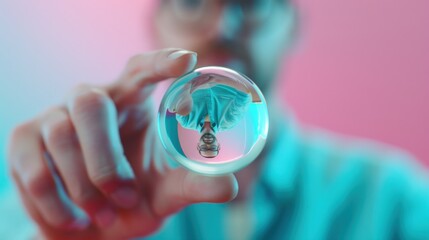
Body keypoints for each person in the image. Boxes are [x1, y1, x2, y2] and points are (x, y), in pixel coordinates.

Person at [6, 0, 429, 239]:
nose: (223, 24)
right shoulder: (78, 187)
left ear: (293, 26)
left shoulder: (393, 197)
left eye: (254, 3)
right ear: (156, 25)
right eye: (190, 2)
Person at [167, 72, 261, 158]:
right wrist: (218, 79)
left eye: (204, 148)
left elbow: (177, 96)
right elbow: (245, 94)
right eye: (212, 148)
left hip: (193, 73)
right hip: (228, 72)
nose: (208, 145)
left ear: (198, 145)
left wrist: (191, 86)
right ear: (218, 145)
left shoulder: (186, 121)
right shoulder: (228, 121)